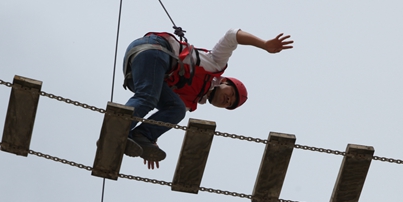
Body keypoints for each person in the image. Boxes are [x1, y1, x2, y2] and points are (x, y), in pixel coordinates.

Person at [121, 28, 293, 169]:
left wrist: (150, 140)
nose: (228, 100)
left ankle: (139, 135)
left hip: (136, 73)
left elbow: (163, 114)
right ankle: (120, 128)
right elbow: (233, 35)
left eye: (230, 104)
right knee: (148, 97)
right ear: (224, 81)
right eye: (231, 94)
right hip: (154, 49)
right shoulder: (216, 63)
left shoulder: (188, 103)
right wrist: (264, 44)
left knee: (176, 110)